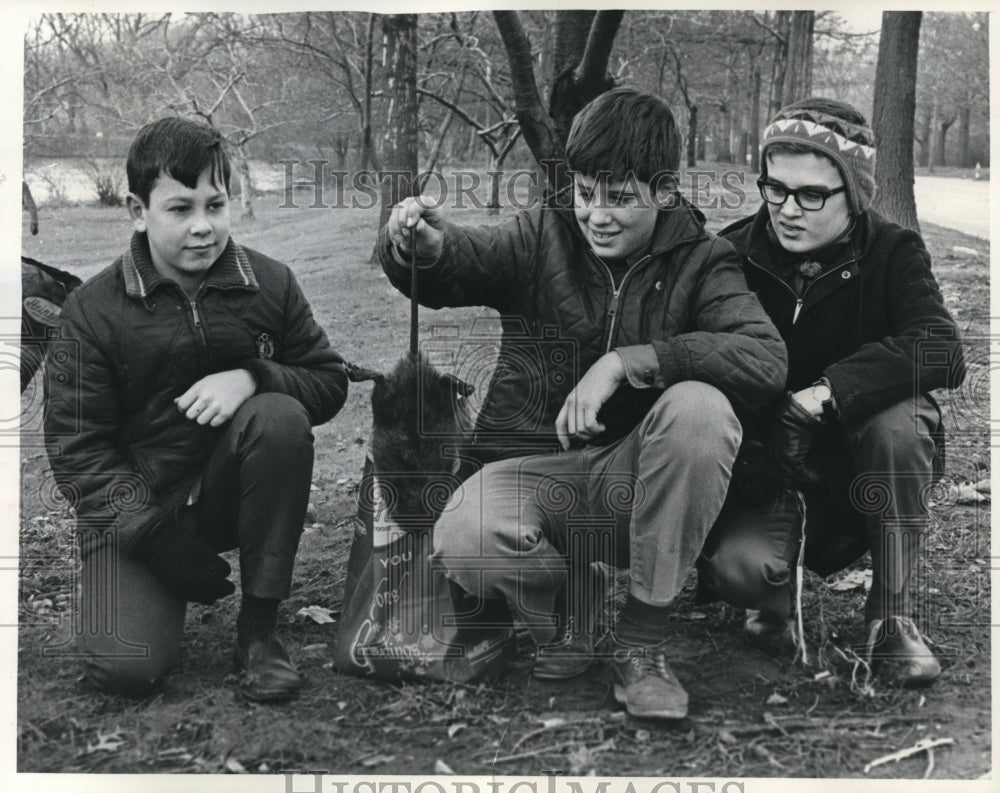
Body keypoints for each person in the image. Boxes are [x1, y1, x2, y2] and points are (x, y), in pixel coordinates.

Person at [378, 88, 787, 719]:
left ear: (662, 190)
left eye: (620, 198)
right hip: (537, 472)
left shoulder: (705, 261)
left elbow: (763, 357)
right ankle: (569, 602)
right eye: (586, 191)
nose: (596, 214)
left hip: (639, 480)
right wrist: (422, 250)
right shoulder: (543, 232)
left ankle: (642, 644)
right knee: (462, 533)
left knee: (701, 407)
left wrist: (628, 362)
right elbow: (464, 260)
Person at [43, 117, 348, 701]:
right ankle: (151, 586)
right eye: (180, 209)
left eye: (216, 204)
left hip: (228, 493)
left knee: (278, 416)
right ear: (138, 209)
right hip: (136, 511)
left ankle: (258, 634)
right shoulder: (90, 311)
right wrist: (149, 535)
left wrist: (252, 375)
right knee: (124, 673)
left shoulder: (271, 283)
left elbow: (328, 381)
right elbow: (76, 448)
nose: (204, 227)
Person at [697, 97, 966, 685]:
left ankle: (892, 619)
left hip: (857, 471)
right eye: (775, 188)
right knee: (745, 570)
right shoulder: (730, 254)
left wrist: (824, 394)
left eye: (812, 195)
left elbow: (940, 347)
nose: (788, 210)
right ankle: (771, 600)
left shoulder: (892, 252)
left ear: (854, 192)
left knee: (902, 416)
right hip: (764, 472)